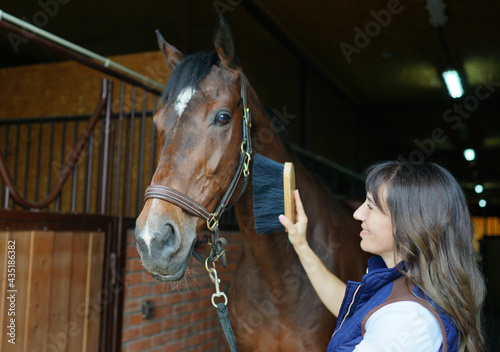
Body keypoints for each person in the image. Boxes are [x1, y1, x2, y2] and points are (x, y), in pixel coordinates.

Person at [279, 159, 486, 352]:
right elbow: (353, 309)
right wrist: (301, 245)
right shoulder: (406, 281)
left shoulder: (405, 321)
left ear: (411, 223)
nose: (358, 214)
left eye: (370, 206)